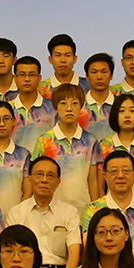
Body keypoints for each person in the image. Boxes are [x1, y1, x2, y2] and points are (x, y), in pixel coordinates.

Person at [82, 151, 134, 268]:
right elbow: (89, 247)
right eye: (114, 171)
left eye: (126, 171)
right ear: (104, 176)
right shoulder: (93, 209)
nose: (120, 176)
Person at [32, 84, 99, 212]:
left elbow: (93, 180)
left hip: (82, 208)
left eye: (74, 103)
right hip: (51, 209)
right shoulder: (44, 141)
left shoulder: (91, 141)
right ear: (56, 108)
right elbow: (35, 178)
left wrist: (95, 210)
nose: (69, 108)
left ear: (81, 107)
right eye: (63, 104)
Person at [10, 56, 56, 151]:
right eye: (22, 74)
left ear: (39, 78)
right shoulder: (6, 109)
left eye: (32, 74)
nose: (27, 79)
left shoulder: (53, 109)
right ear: (14, 78)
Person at [81, 52, 118, 141]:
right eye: (94, 72)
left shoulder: (121, 105)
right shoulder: (77, 105)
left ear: (111, 75)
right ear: (87, 76)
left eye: (104, 72)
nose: (99, 77)